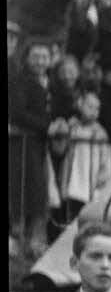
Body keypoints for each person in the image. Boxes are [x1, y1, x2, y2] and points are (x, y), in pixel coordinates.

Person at [8, 37, 55, 257]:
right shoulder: (19, 81)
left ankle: (35, 245)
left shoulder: (52, 82)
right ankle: (20, 244)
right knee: (24, 192)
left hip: (44, 146)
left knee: (41, 195)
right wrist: (48, 127)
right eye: (35, 57)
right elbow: (17, 113)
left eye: (44, 57)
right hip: (23, 145)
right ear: (27, 58)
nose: (40, 62)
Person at [57, 88, 111, 221]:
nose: (94, 111)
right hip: (74, 180)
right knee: (71, 214)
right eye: (90, 106)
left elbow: (106, 158)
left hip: (91, 182)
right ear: (80, 105)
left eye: (97, 108)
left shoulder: (100, 132)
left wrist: (103, 177)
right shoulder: (73, 128)